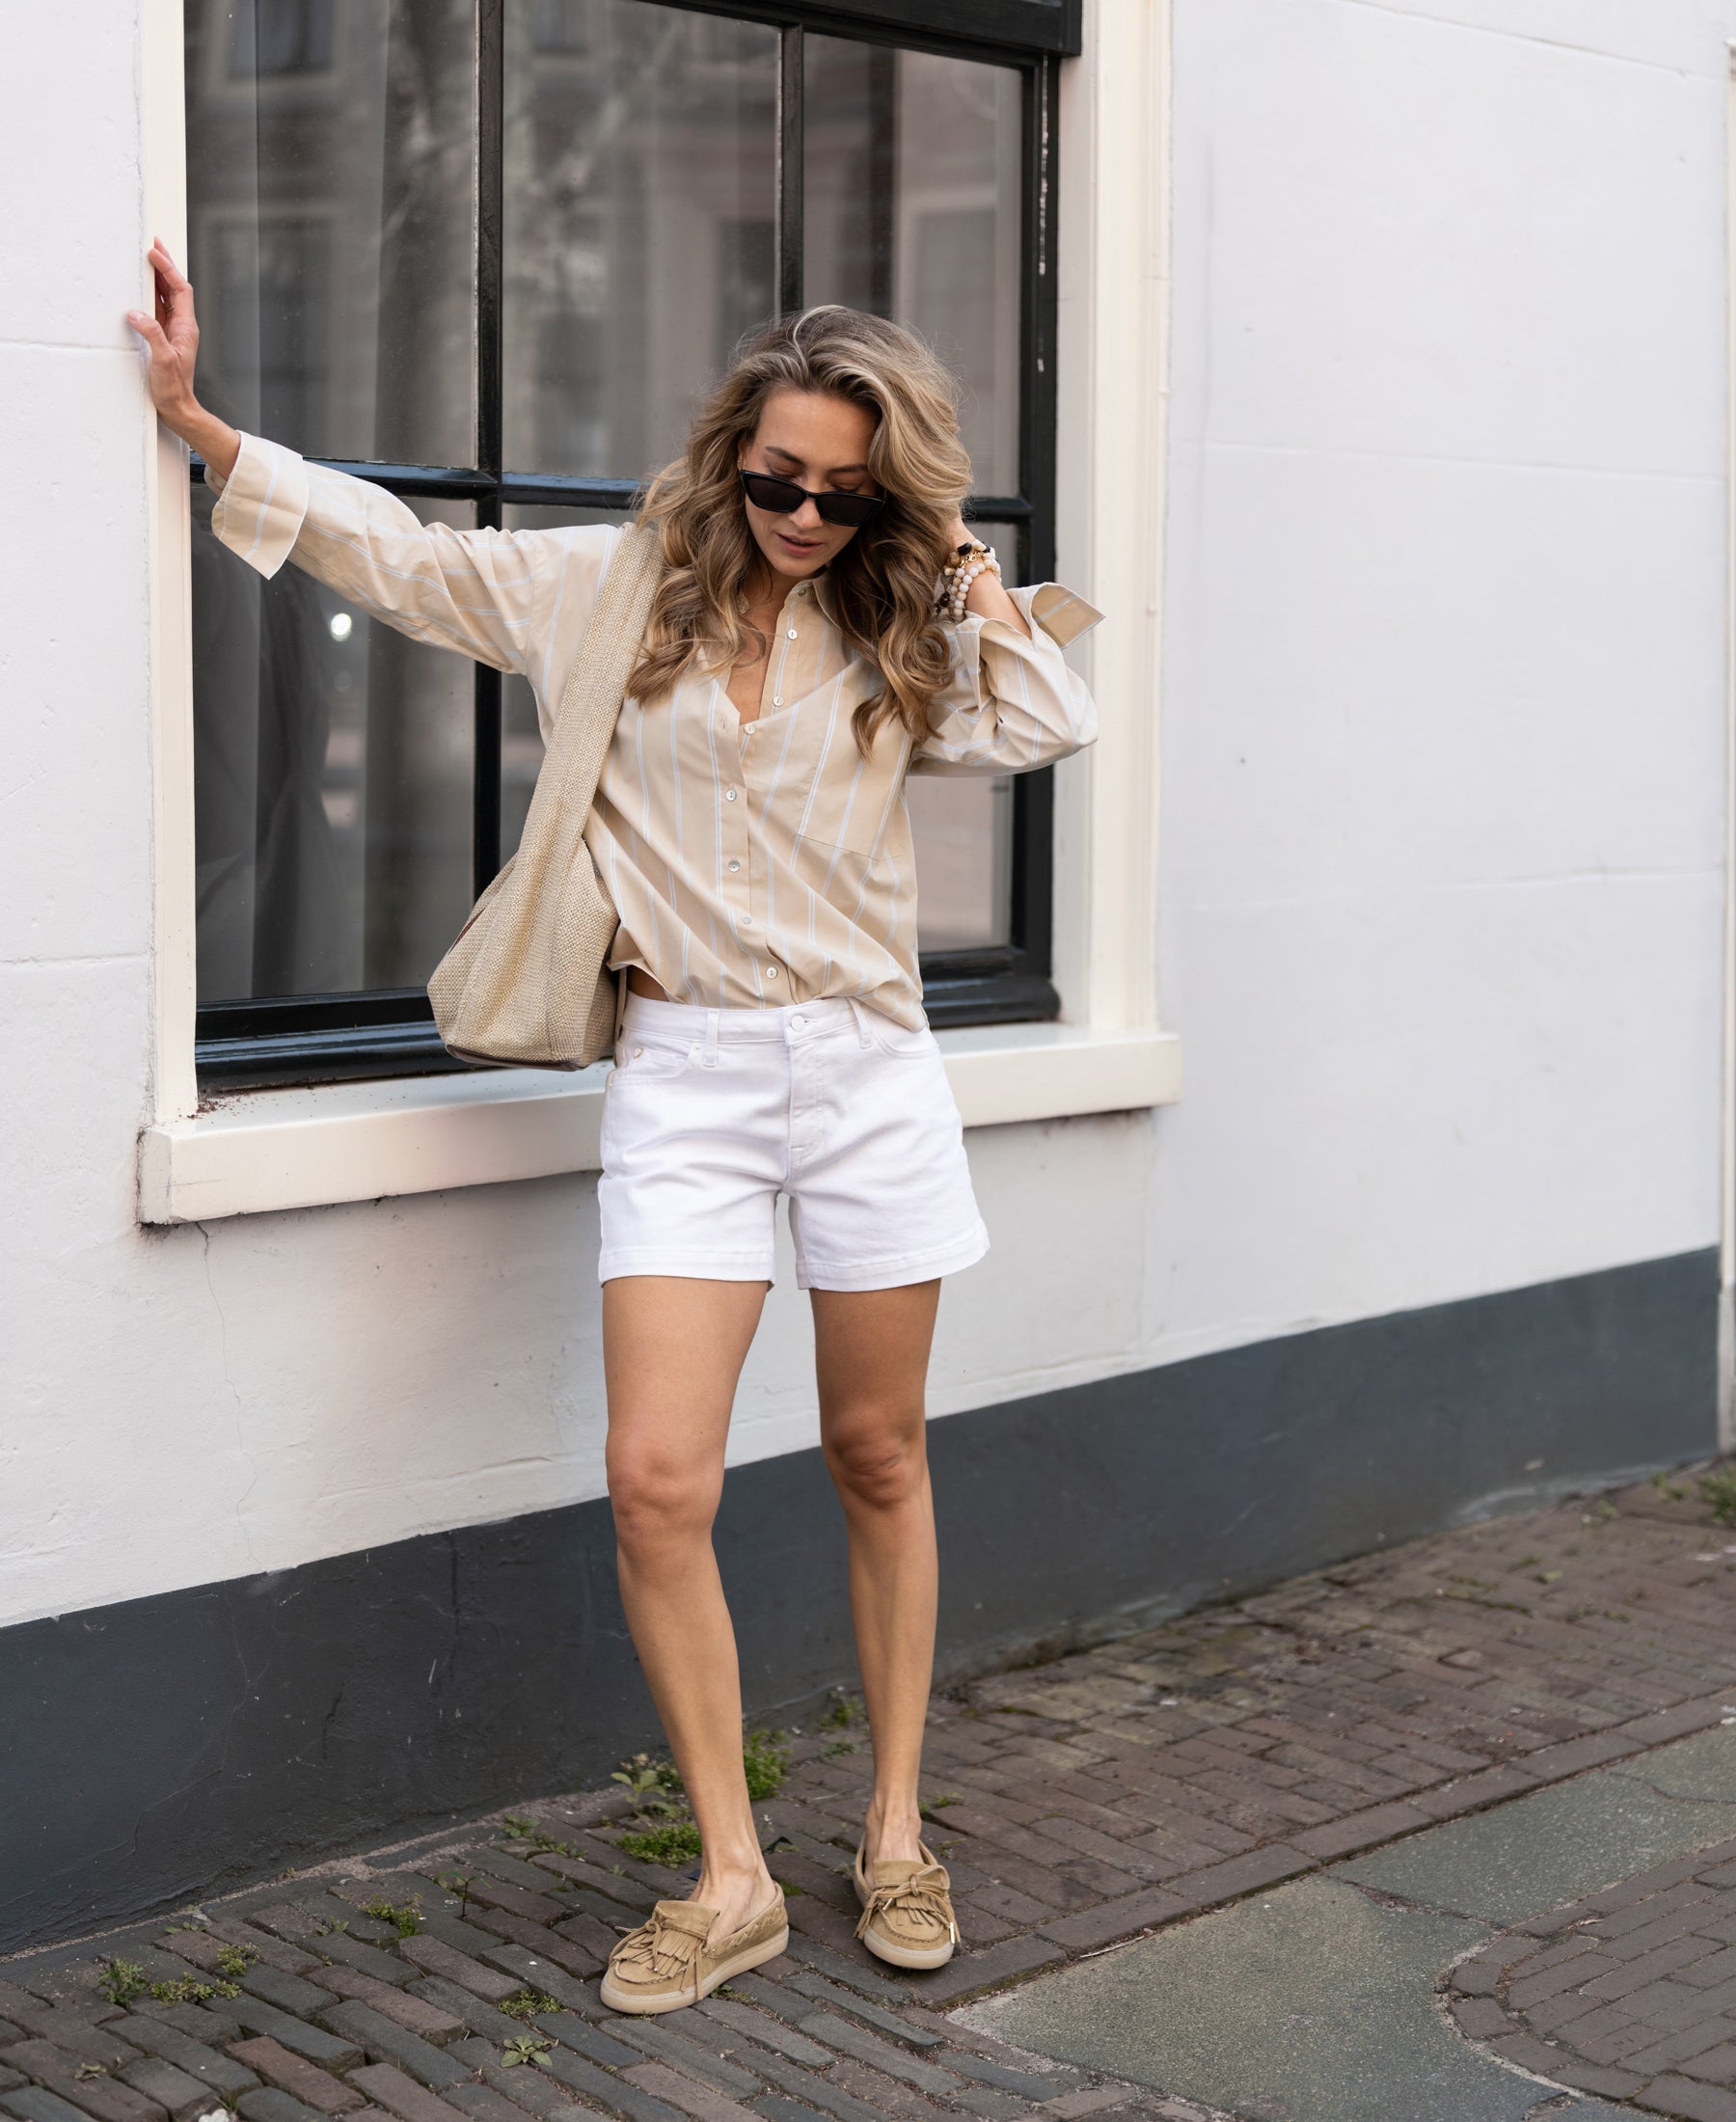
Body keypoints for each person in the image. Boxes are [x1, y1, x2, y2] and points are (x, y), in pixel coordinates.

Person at [128, 239, 1100, 2015]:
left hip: (868, 1071)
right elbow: (413, 564)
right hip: (691, 1078)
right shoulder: (615, 591)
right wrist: (207, 429)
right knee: (660, 1484)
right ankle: (732, 1875)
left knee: (881, 1456)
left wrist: (955, 554)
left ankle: (892, 1823)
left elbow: (1048, 715)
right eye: (776, 478)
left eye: (843, 490)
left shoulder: (897, 621)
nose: (803, 513)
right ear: (729, 452)